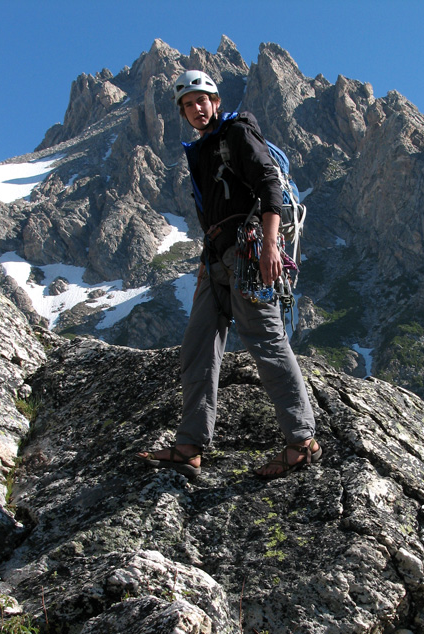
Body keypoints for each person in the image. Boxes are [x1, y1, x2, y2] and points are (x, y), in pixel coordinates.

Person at [136, 70, 321, 480]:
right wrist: (205, 266)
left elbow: (269, 184)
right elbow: (214, 216)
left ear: (215, 102)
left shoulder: (237, 133)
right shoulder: (201, 151)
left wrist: (271, 246)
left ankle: (301, 441)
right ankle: (189, 446)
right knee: (198, 345)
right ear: (183, 112)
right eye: (189, 104)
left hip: (249, 253)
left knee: (265, 341)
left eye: (202, 100)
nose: (197, 108)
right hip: (217, 260)